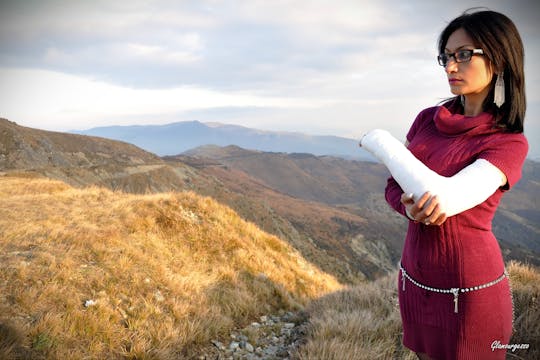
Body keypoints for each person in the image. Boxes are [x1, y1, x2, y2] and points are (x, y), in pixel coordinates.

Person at [359, 9, 528, 360]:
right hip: (414, 281)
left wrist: (379, 141)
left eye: (464, 55)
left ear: (499, 57)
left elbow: (445, 199)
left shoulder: (507, 142)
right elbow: (395, 184)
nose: (451, 67)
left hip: (468, 293)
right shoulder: (426, 120)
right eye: (447, 57)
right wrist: (405, 206)